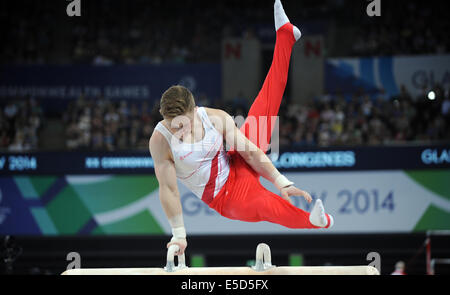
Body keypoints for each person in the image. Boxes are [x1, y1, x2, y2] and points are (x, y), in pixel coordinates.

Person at [149, 0, 334, 256]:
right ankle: (314, 221)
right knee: (266, 205)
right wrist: (179, 235)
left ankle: (285, 36)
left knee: (264, 107)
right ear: (164, 117)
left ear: (195, 109)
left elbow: (250, 152)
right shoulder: (160, 140)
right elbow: (168, 189)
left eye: (185, 121)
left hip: (238, 163)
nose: (180, 128)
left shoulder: (215, 118)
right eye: (173, 124)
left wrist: (282, 182)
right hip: (227, 197)